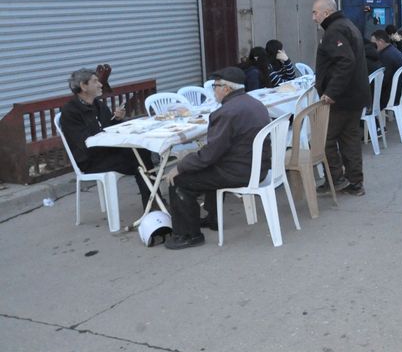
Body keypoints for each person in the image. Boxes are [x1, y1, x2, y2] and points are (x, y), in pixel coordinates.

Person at [164, 67, 270, 249]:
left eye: (215, 86)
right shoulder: (254, 103)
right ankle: (213, 218)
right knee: (205, 167)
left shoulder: (227, 112)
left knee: (179, 180)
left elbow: (209, 155)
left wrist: (180, 166)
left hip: (240, 171)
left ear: (226, 89)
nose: (213, 90)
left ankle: (189, 235)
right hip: (257, 166)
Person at [60, 68, 154, 209]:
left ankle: (154, 203)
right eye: (95, 81)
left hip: (107, 151)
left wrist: (116, 119)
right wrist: (108, 135)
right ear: (83, 86)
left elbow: (109, 127)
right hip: (90, 160)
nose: (100, 85)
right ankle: (153, 205)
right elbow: (85, 142)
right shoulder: (70, 111)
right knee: (139, 160)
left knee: (142, 152)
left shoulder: (98, 105)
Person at [312, 0, 371, 196]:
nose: (313, 17)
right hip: (354, 95)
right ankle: (355, 183)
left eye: (315, 12)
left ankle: (336, 179)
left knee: (325, 139)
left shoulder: (335, 30)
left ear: (326, 13)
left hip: (342, 98)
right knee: (350, 139)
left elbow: (345, 62)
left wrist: (331, 92)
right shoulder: (346, 25)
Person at [370, 30, 402, 104]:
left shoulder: (385, 56)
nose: (372, 46)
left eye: (373, 44)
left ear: (381, 41)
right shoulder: (392, 50)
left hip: (392, 96)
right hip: (401, 90)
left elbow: (382, 82)